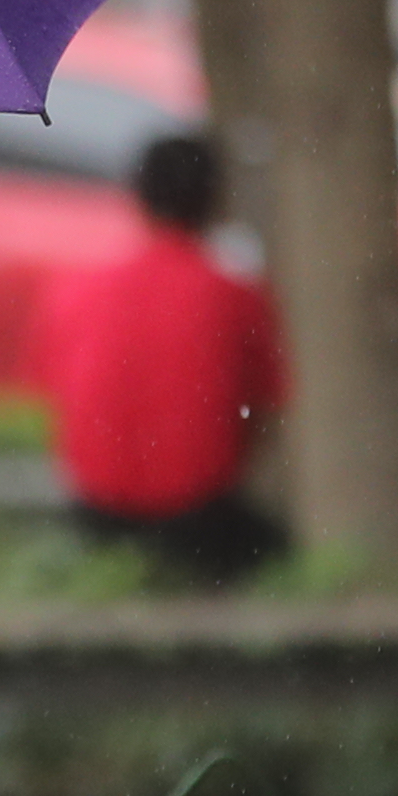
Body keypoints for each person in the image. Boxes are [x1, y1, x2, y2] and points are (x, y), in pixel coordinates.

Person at [33, 133, 287, 587]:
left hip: (96, 508)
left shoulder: (77, 289)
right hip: (200, 512)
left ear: (139, 196)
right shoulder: (234, 293)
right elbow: (263, 410)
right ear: (215, 199)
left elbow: (55, 398)